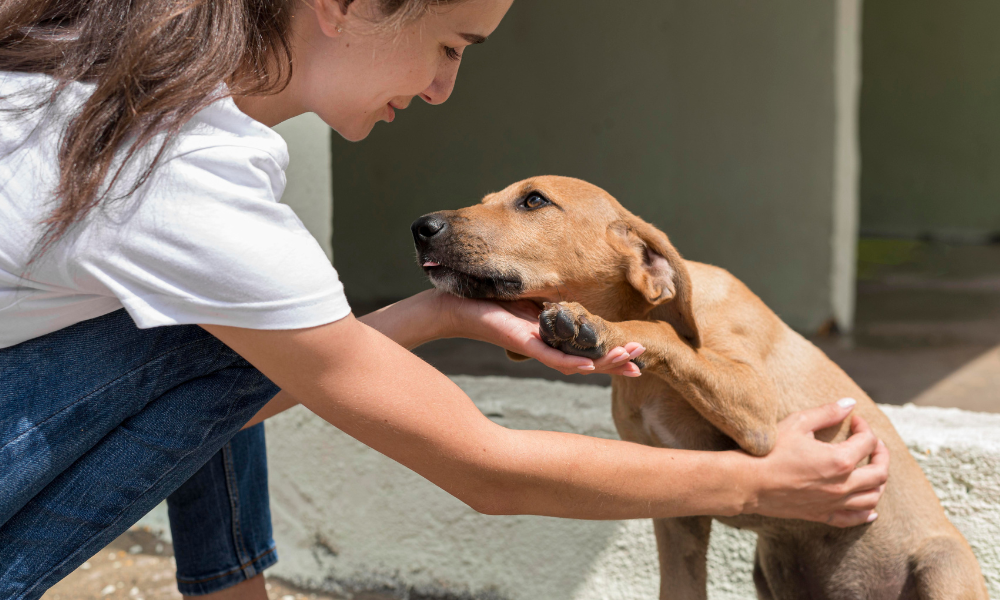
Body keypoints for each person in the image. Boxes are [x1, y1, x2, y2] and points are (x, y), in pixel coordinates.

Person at [0, 1, 889, 599]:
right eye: (450, 45)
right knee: (233, 330)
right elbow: (484, 468)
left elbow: (251, 388)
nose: (441, 88)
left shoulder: (103, 89)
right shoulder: (181, 176)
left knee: (249, 331)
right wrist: (760, 482)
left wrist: (441, 312)